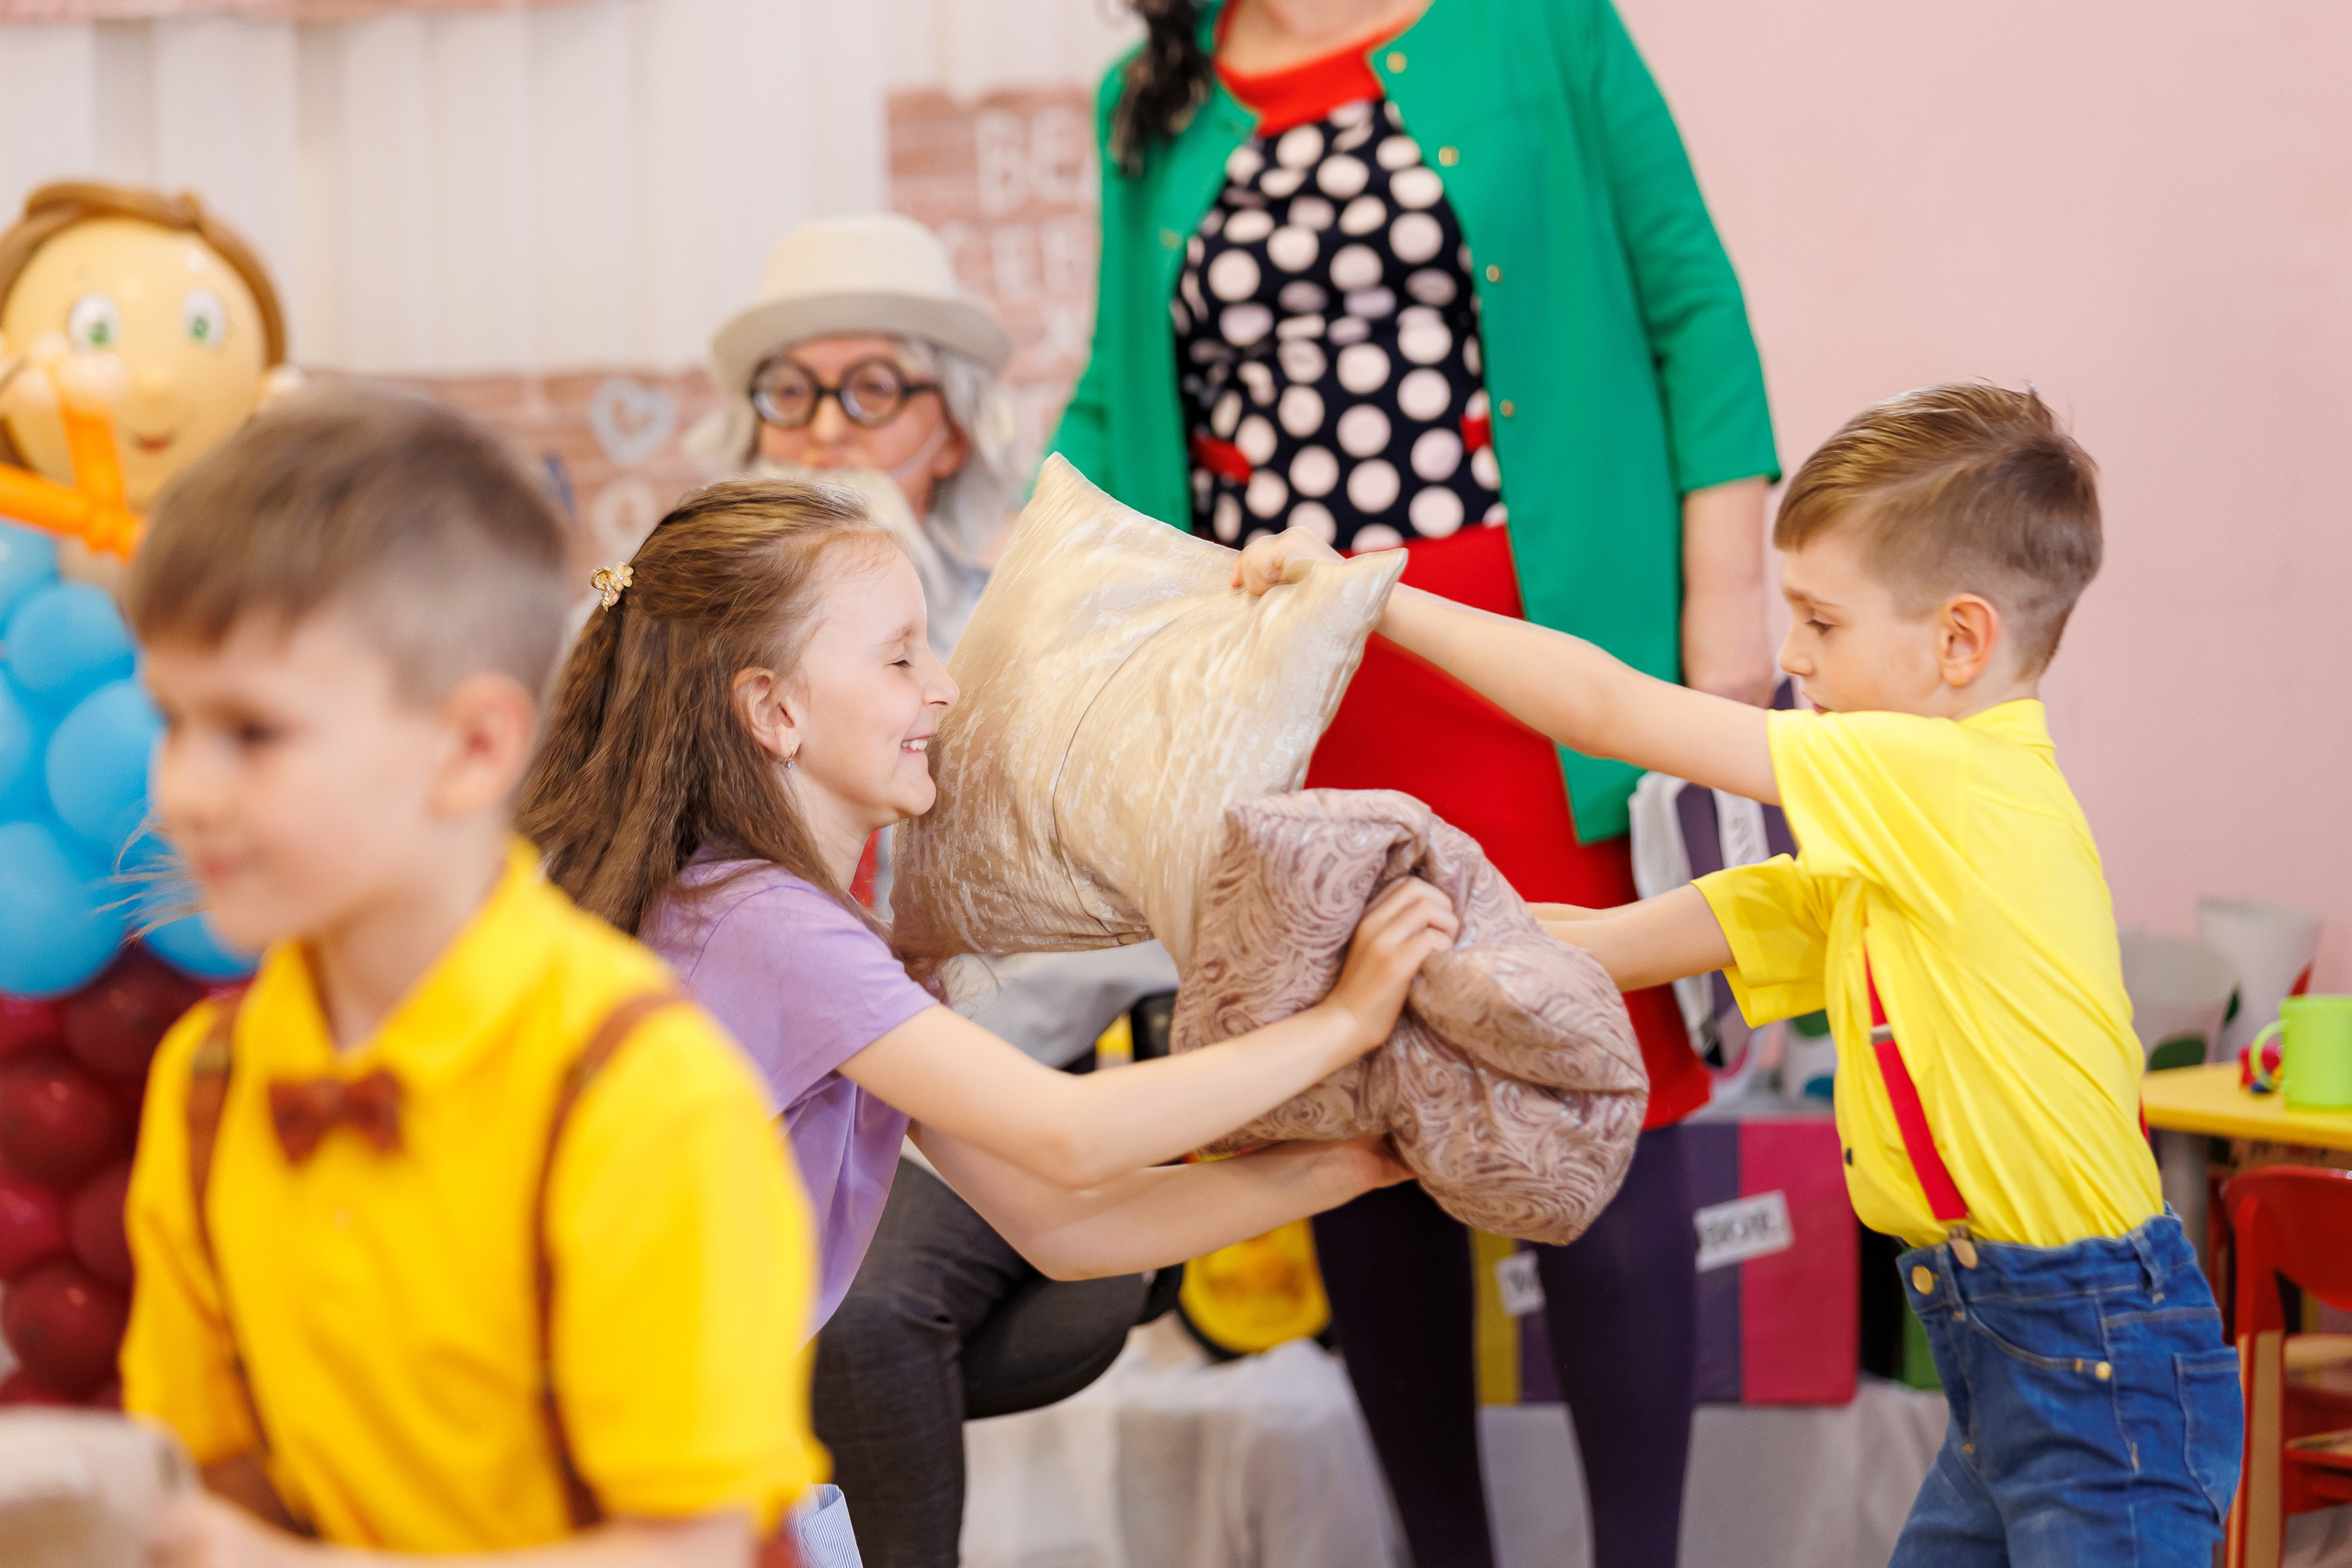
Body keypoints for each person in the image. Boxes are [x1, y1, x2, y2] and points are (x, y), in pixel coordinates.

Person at [1236, 383, 2245, 1567]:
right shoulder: (1907, 853)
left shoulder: (1945, 781)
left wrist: (1375, 597)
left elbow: (1608, 710)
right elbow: (1691, 923)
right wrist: (1465, 947)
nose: (1785, 653)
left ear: (1959, 641)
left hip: (2094, 1352)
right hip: (2007, 1343)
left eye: (1820, 622)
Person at [1048, 2, 1779, 1562]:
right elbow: (1120, 406)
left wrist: (1723, 638)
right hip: (1286, 685)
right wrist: (1016, 638)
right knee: (1353, 1096)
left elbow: (1692, 307)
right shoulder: (1149, 95)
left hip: (1532, 657)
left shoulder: (1543, 30)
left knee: (1602, 1073)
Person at [515, 479, 1460, 1560]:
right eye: (901, 656)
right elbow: (1070, 1135)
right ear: (773, 709)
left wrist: (1350, 1166)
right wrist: (1342, 1024)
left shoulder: (779, 924)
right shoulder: (763, 924)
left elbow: (1067, 1226)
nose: (948, 688)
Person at [118, 388, 825, 1564]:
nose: (178, 792)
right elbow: (216, 1480)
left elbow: (694, 1546)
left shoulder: (642, 1095)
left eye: (251, 732)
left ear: (475, 747)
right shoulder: (208, 1080)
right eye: (170, 721)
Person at [685, 215, 1189, 1568]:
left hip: (985, 1082)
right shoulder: (680, 641)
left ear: (951, 425)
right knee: (839, 1313)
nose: (823, 431)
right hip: (795, 1107)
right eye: (790, 392)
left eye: (870, 390)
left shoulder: (1035, 635)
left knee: (868, 1305)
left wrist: (921, 1051)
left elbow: (1115, 925)